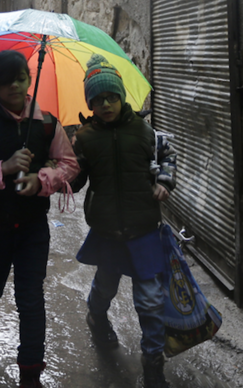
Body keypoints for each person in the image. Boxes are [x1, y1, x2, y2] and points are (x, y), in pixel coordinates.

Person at [0, 50, 79, 388]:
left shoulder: (48, 124)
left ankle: (30, 373)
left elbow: (69, 164)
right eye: (7, 81)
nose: (15, 86)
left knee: (30, 297)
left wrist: (43, 180)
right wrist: (3, 168)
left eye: (21, 78)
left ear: (29, 80)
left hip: (33, 228)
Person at [71, 53, 172, 388]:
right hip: (107, 230)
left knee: (151, 300)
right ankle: (97, 319)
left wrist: (164, 182)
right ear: (91, 103)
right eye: (97, 100)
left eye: (111, 97)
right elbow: (75, 181)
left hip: (143, 228)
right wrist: (62, 164)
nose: (106, 105)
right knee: (105, 286)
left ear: (121, 96)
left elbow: (167, 156)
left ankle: (153, 364)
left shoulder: (146, 132)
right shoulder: (84, 138)